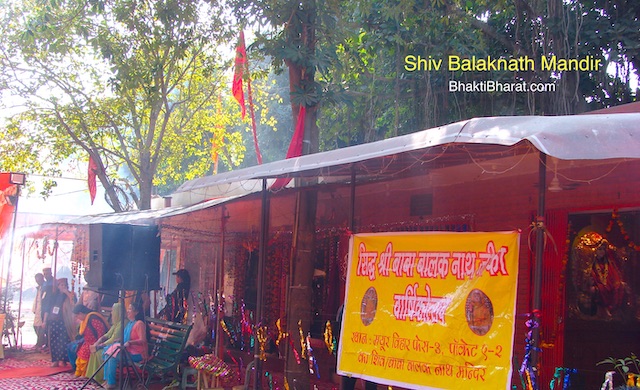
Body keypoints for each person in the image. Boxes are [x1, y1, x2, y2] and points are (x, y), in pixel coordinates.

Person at [102, 301, 148, 390]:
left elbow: (143, 340)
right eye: (128, 309)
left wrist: (130, 342)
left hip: (138, 354)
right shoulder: (130, 323)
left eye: (130, 309)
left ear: (136, 312)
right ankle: (107, 379)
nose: (128, 311)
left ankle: (111, 383)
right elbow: (126, 337)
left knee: (112, 356)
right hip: (129, 351)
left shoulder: (139, 324)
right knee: (107, 351)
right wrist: (119, 340)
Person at [336, 303, 377, 390]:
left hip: (369, 351)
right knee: (348, 381)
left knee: (370, 381)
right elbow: (339, 328)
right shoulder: (346, 307)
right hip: (352, 350)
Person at [86, 302, 127, 383]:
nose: (111, 313)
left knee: (99, 353)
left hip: (120, 348)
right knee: (93, 351)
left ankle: (101, 379)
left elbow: (113, 339)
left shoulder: (123, 322)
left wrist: (99, 346)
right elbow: (107, 335)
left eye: (113, 311)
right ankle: (92, 377)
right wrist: (97, 343)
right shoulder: (117, 323)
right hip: (112, 345)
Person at [44, 278, 76, 367]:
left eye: (64, 285)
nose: (63, 287)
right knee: (54, 340)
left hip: (65, 320)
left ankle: (64, 360)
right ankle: (55, 360)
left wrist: (66, 292)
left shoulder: (70, 295)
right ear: (58, 286)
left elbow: (74, 303)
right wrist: (45, 320)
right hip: (54, 320)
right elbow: (47, 308)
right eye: (61, 285)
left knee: (64, 340)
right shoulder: (53, 295)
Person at [70, 304, 108, 377]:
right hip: (87, 342)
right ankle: (79, 372)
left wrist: (97, 344)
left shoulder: (93, 318)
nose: (77, 318)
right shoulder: (85, 319)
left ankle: (85, 374)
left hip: (95, 342)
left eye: (77, 316)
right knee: (78, 351)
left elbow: (101, 332)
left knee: (85, 353)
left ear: (80, 313)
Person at [32, 272, 46, 349]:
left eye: (39, 279)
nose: (37, 281)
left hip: (42, 310)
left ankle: (40, 343)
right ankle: (41, 341)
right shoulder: (39, 287)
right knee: (35, 326)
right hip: (38, 309)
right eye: (36, 280)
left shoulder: (45, 287)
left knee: (40, 327)